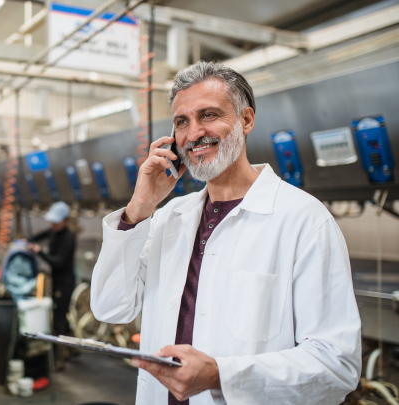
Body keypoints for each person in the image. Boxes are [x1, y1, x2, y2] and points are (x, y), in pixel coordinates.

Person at [90, 61, 361, 405]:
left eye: (208, 115)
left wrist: (222, 375)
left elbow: (335, 365)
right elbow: (111, 308)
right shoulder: (169, 217)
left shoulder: (303, 220)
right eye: (182, 122)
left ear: (245, 120)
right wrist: (138, 210)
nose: (193, 134)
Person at [27, 201, 77, 337]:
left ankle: (61, 352)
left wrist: (39, 251)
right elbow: (37, 237)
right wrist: (27, 240)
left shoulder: (69, 238)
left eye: (56, 222)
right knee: (58, 315)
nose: (53, 225)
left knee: (59, 319)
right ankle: (69, 349)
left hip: (65, 283)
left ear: (65, 221)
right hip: (56, 280)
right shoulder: (53, 231)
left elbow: (58, 262)